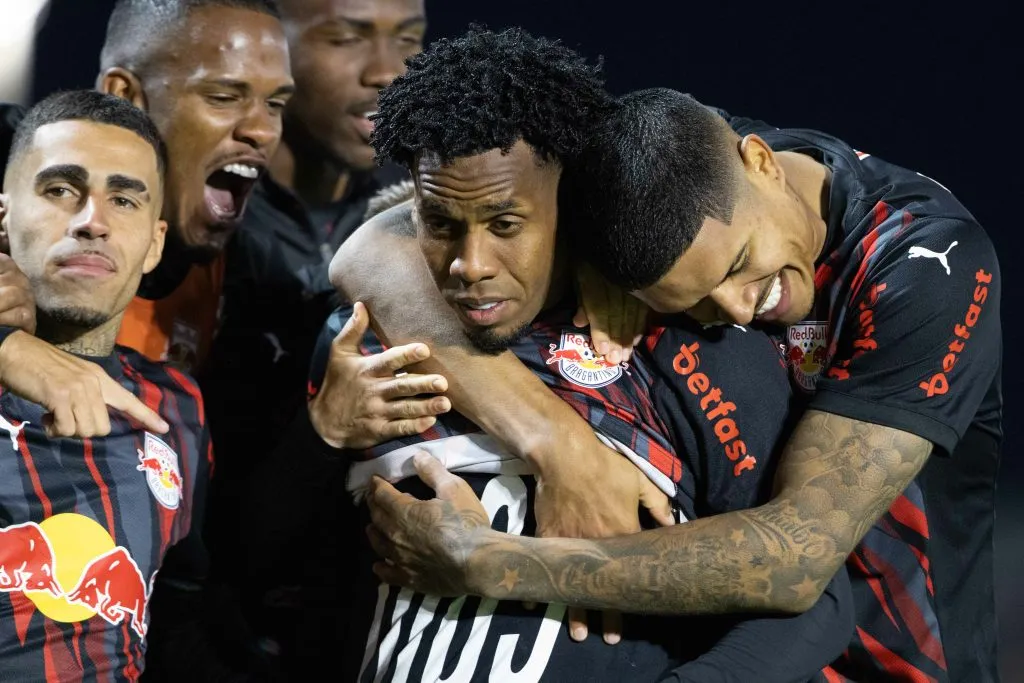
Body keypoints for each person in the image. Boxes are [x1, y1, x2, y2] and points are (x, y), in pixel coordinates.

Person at [257, 27, 854, 681]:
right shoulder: (363, 340)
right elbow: (251, 571)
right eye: (441, 223)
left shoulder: (692, 350)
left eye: (506, 224)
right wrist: (320, 439)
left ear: (573, 204)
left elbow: (813, 602)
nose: (469, 265)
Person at [364, 89, 1003, 682]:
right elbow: (377, 245)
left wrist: (486, 562)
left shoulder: (928, 265)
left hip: (900, 660)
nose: (739, 310)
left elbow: (797, 557)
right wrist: (562, 448)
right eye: (692, 301)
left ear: (762, 162)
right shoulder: (645, 163)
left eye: (738, 264)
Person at [0, 89, 216, 681]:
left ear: (155, 244)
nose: (92, 221)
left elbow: (180, 610)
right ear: (4, 217)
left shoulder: (177, 407)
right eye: (59, 190)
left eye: (123, 199)